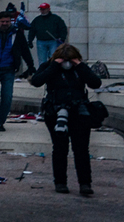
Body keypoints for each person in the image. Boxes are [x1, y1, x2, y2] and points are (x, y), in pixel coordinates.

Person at [30, 44, 102, 195]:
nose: (67, 63)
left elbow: (95, 83)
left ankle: (85, 183)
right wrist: (54, 66)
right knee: (60, 148)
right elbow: (36, 81)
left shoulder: (79, 69)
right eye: (64, 60)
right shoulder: (50, 66)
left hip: (79, 112)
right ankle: (60, 182)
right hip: (55, 112)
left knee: (81, 149)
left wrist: (80, 65)